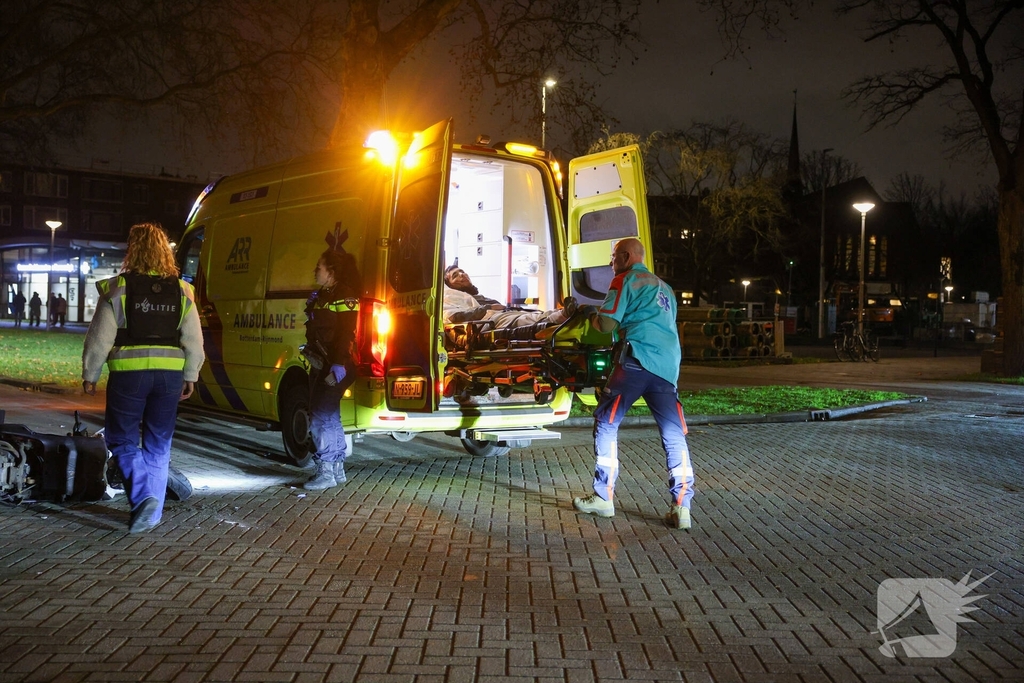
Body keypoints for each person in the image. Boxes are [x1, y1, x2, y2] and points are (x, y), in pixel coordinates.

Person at [82, 222, 205, 533]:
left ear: (132, 251)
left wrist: (90, 374)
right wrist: (191, 373)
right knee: (158, 443)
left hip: (129, 376)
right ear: (165, 251)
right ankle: (151, 513)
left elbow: (99, 339)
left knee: (120, 438)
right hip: (169, 378)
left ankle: (144, 496)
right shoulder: (182, 290)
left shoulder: (117, 289)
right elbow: (194, 340)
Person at [571, 237, 696, 530]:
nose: (610, 263)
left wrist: (590, 316)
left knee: (607, 421)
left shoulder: (624, 280)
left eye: (613, 257)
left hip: (636, 360)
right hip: (667, 367)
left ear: (626, 257)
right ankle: (682, 507)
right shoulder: (665, 288)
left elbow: (607, 325)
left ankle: (603, 498)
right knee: (673, 433)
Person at [301, 248, 360, 491]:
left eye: (319, 267)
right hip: (324, 362)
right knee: (330, 414)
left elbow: (347, 332)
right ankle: (336, 468)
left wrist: (338, 364)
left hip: (337, 365)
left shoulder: (345, 296)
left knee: (320, 416)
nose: (316, 270)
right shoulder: (323, 295)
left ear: (332, 272)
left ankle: (326, 471)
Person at [443, 265, 572, 330]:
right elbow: (454, 316)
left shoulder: (478, 297)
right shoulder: (451, 297)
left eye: (462, 271)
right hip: (489, 320)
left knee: (523, 313)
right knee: (514, 318)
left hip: (498, 314)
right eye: (455, 275)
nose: (462, 274)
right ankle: (558, 317)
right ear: (450, 286)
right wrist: (488, 308)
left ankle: (563, 314)